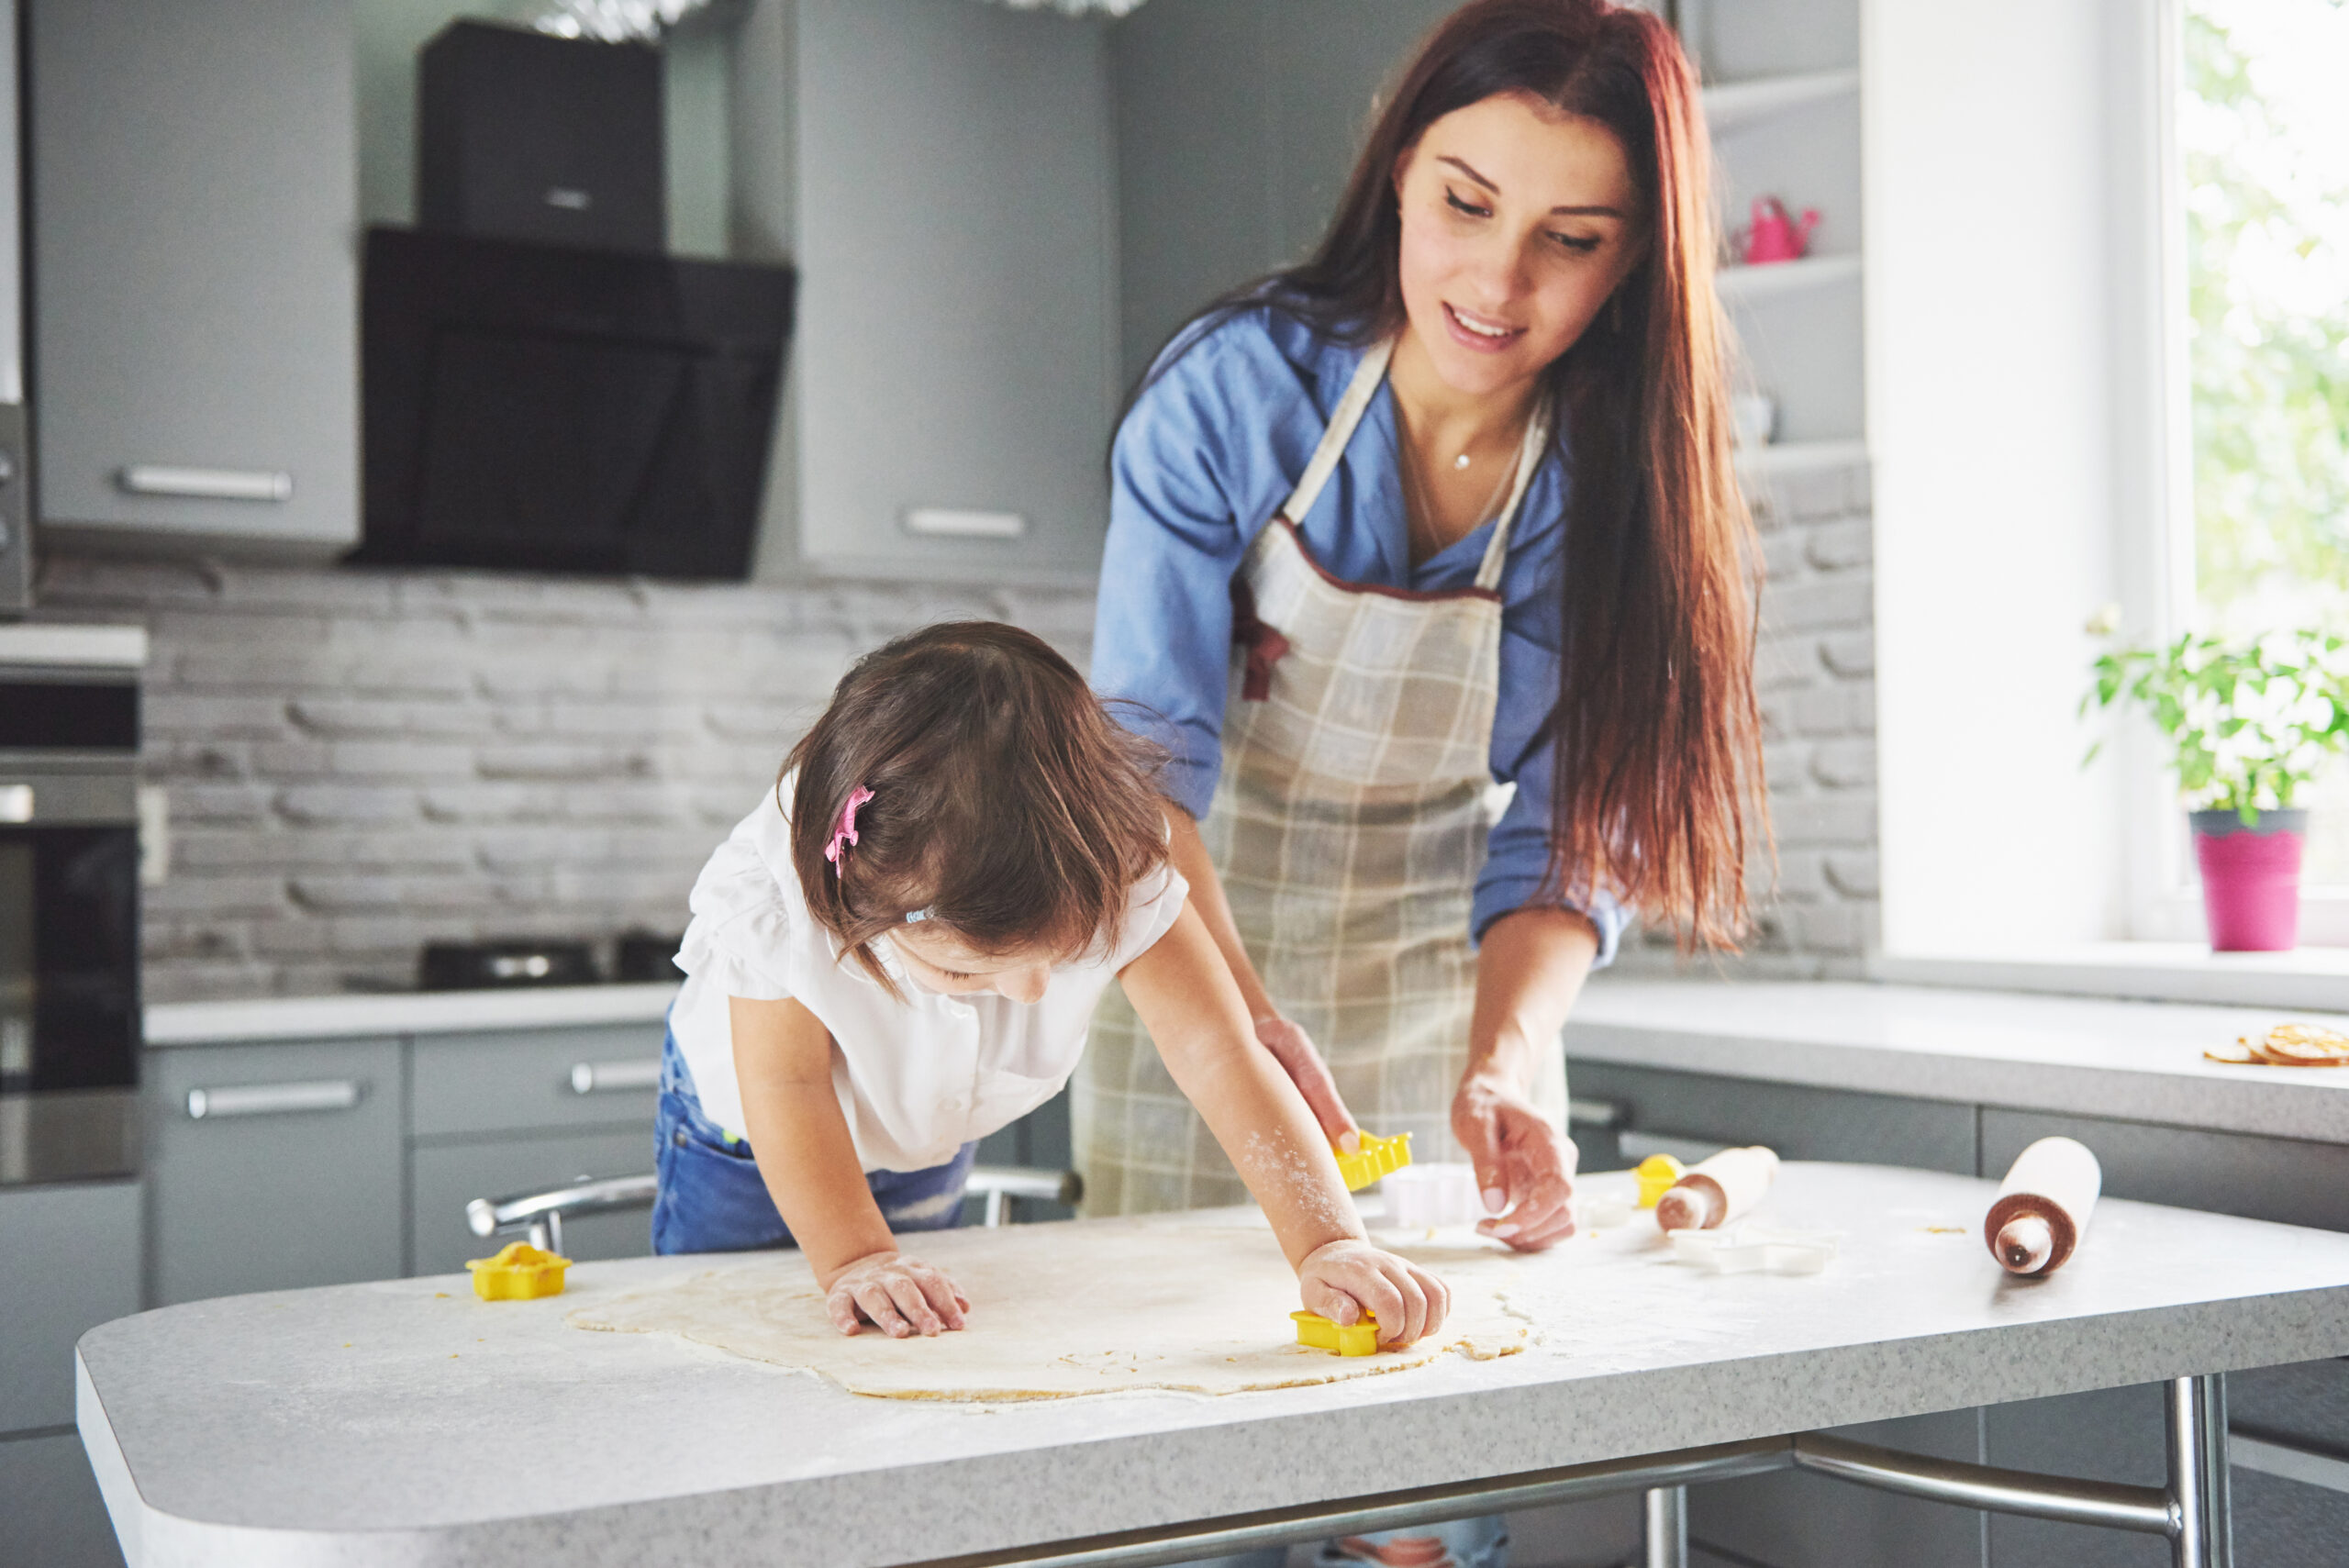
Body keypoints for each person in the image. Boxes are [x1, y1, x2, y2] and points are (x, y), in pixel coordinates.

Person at [1085, 2, 1765, 1561]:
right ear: (1398, 171)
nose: (1498, 280)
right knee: (1167, 1442)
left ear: (1635, 262)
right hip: (1186, 957)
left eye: (1569, 237)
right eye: (1466, 203)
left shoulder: (1611, 485)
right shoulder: (1232, 396)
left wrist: (1513, 1062)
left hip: (1425, 1002)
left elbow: (1562, 830)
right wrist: (1248, 1034)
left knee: (1410, 1482)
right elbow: (1143, 775)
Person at [651, 621, 1449, 1350]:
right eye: (967, 971)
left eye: (1062, 957)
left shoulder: (1114, 860)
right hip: (749, 1147)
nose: (1031, 993)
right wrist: (857, 1257)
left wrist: (1330, 1241)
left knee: (898, 1336)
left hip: (925, 1130)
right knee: (744, 1337)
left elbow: (1221, 1050)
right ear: (865, 905)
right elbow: (787, 1086)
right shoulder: (782, 894)